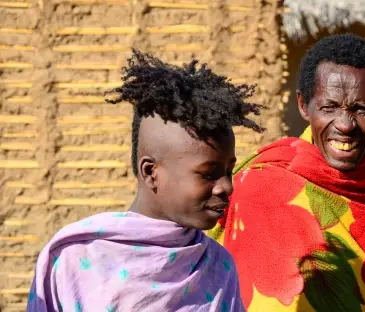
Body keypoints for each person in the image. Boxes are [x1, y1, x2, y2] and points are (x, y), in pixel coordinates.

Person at [27, 49, 265, 312]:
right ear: (151, 172)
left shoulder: (219, 267)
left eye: (229, 171)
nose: (226, 187)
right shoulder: (78, 258)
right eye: (208, 173)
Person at [208, 33, 365, 311]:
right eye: (329, 107)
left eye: (361, 109)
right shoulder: (258, 185)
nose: (345, 125)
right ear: (304, 106)